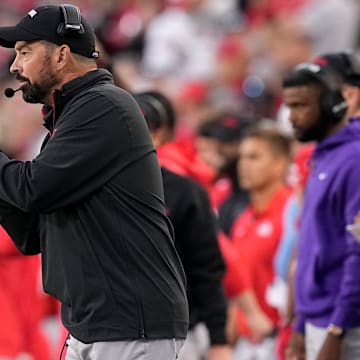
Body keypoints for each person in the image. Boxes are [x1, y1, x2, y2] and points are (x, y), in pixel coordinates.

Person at [0, 4, 188, 360]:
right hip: (97, 322)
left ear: (62, 55)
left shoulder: (103, 105)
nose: (14, 65)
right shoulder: (70, 118)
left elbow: (34, 188)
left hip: (130, 322)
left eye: (25, 52)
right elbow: (32, 234)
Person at [133, 90, 232, 360]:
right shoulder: (95, 189)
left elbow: (207, 268)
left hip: (177, 333)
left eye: (145, 128)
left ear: (160, 134)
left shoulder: (185, 192)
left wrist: (219, 339)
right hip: (110, 331)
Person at [282, 52, 360, 360]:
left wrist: (338, 330)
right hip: (317, 320)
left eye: (300, 106)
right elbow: (314, 243)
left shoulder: (354, 159)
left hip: (346, 327)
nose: (291, 117)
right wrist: (301, 324)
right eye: (289, 106)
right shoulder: (322, 156)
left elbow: (357, 250)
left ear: (333, 105)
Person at [229, 127, 298, 360]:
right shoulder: (243, 220)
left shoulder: (291, 215)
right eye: (242, 157)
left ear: (280, 164)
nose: (243, 165)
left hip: (280, 340)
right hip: (246, 343)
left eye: (254, 157)